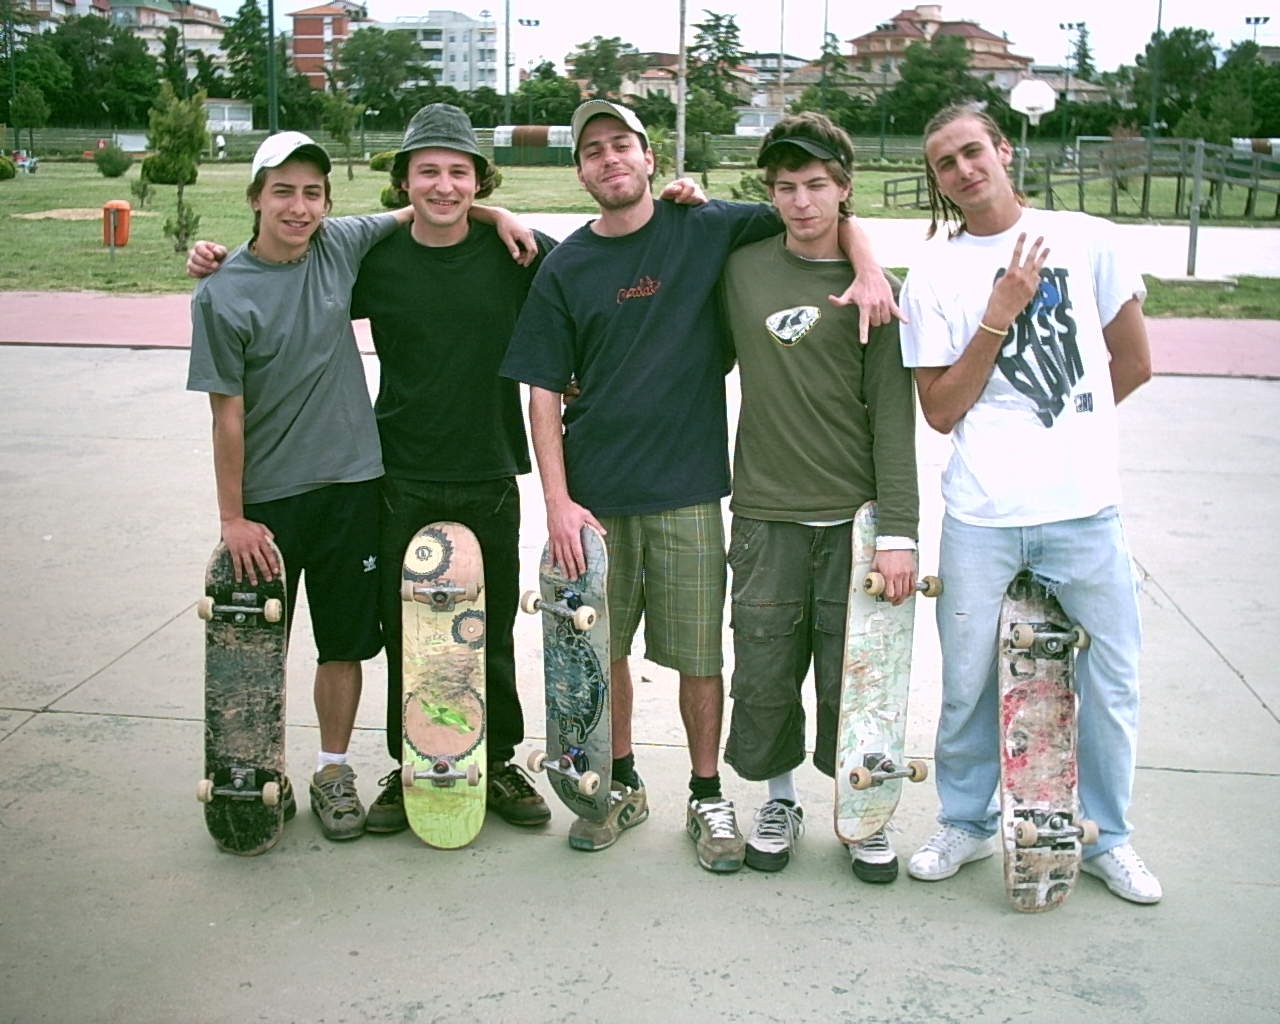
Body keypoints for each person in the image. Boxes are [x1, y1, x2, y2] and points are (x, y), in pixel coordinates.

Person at [499, 99, 899, 873]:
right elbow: (542, 390)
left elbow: (814, 209)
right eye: (594, 151)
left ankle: (706, 791)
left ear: (650, 159)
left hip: (689, 490)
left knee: (699, 655)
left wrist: (872, 264)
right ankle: (619, 784)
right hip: (596, 502)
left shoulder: (706, 227)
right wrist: (555, 501)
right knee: (603, 655)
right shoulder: (566, 266)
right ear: (580, 171)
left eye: (623, 145)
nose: (610, 159)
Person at [897, 104, 1160, 903]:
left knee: (1112, 677)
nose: (964, 169)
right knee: (969, 678)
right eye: (945, 162)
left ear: (1004, 150)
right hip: (981, 514)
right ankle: (967, 822)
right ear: (937, 180)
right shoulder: (934, 273)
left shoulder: (1087, 239)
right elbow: (940, 409)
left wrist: (1066, 434)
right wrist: (997, 315)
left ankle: (1108, 837)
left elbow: (1134, 362)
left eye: (973, 150)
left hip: (1084, 508)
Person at [186, 131, 412, 841]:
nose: (298, 205)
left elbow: (416, 213)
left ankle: (333, 770)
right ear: (255, 197)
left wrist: (496, 216)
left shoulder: (339, 247)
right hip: (270, 505)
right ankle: (258, 774)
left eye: (312, 192)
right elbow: (227, 415)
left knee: (343, 643)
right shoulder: (223, 295)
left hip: (352, 489)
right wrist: (233, 518)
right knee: (258, 653)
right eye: (282, 190)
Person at [719, 112, 918, 881]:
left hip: (855, 522)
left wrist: (899, 532)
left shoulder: (875, 293)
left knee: (855, 675)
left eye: (815, 186)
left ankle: (862, 807)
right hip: (766, 513)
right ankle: (780, 798)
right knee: (766, 671)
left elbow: (895, 421)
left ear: (843, 189)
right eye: (784, 187)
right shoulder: (742, 269)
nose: (800, 202)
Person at [350, 103, 559, 833]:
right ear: (404, 179)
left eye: (459, 173)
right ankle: (409, 762)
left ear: (479, 180)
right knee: (408, 631)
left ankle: (494, 757)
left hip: (488, 468)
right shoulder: (375, 258)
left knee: (487, 630)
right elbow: (292, 274)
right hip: (399, 469)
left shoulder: (516, 252)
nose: (443, 186)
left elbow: (598, 266)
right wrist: (220, 260)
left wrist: (501, 216)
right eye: (428, 171)